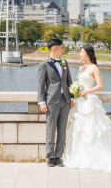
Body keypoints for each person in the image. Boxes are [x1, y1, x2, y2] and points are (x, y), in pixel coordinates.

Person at [37, 38, 73, 167]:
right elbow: (40, 85)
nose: (64, 50)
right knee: (51, 129)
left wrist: (72, 98)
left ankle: (59, 156)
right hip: (51, 101)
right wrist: (41, 102)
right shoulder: (44, 64)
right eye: (62, 48)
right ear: (54, 49)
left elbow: (69, 81)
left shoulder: (65, 63)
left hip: (65, 100)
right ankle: (50, 157)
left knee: (62, 130)